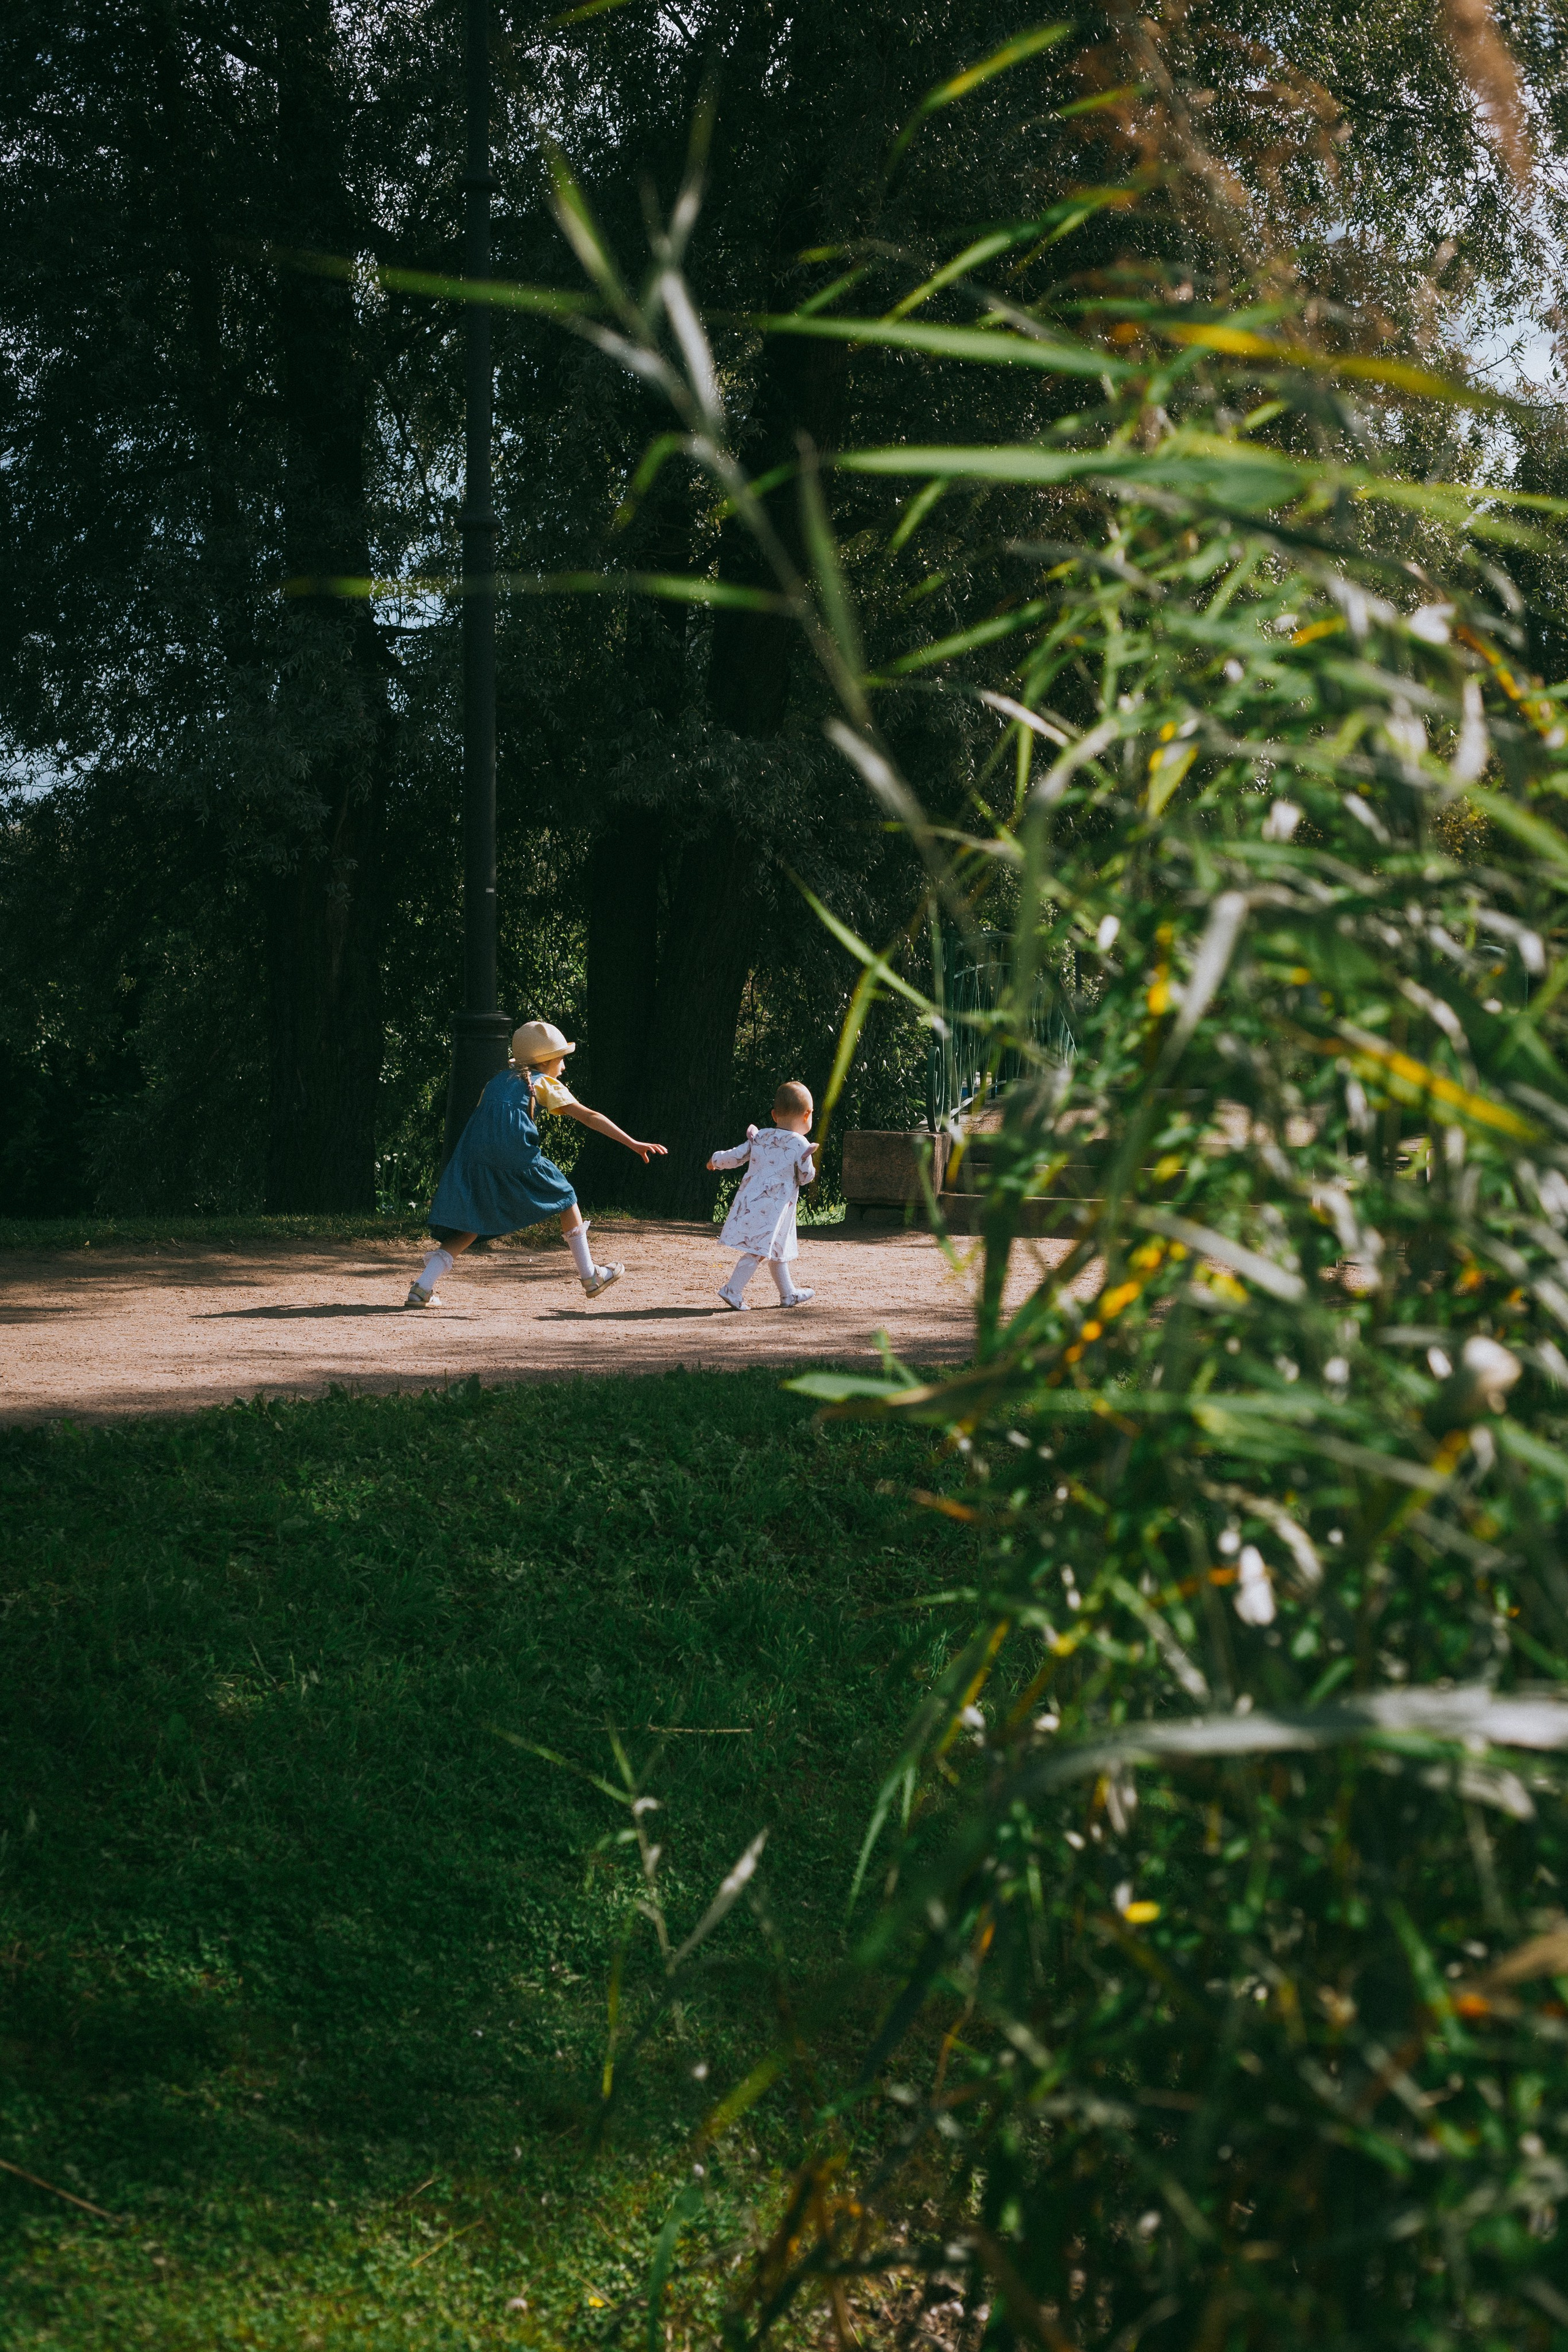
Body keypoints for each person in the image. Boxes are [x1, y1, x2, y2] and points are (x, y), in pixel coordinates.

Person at [405, 1020, 666, 1307]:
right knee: (566, 1197)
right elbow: (590, 1117)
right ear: (546, 1061)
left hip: (473, 1156)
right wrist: (633, 1143)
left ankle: (421, 1288)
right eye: (562, 1060)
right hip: (515, 1152)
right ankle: (591, 1276)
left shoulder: (497, 1081)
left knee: (471, 1223)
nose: (564, 1067)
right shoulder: (543, 1083)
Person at [707, 1080, 817, 1310]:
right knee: (758, 1250)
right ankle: (732, 1290)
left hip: (753, 1200)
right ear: (807, 1115)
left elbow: (737, 1156)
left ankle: (789, 1294)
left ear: (775, 1114)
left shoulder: (761, 1136)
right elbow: (805, 1177)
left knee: (778, 1248)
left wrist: (715, 1161)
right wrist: (807, 1160)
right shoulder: (801, 1144)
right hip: (775, 1206)